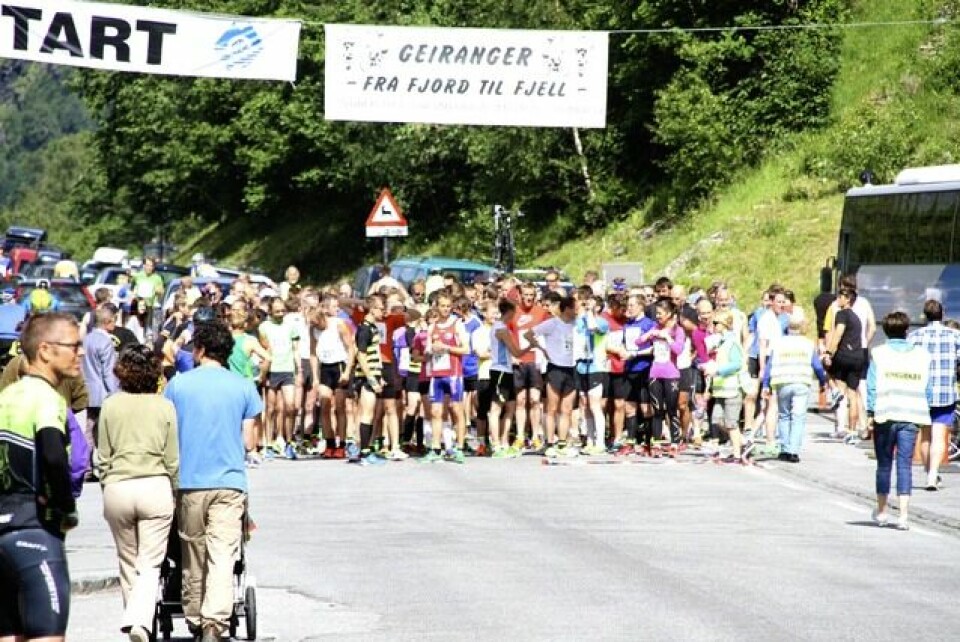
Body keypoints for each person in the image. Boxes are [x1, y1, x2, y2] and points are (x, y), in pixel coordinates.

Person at [163, 321, 262, 642]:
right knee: (223, 554)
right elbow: (249, 442)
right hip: (230, 482)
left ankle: (193, 615)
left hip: (189, 481)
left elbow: (168, 431)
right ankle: (215, 622)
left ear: (201, 349)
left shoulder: (178, 386)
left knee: (193, 553)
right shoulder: (244, 386)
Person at [0, 312, 81, 642]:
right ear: (45, 350)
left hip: (1, 531)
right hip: (35, 530)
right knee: (46, 635)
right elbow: (51, 454)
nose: (80, 353)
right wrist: (65, 508)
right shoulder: (47, 398)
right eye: (73, 346)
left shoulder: (4, 398)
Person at [97, 345, 178, 642]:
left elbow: (103, 456)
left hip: (118, 486)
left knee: (128, 561)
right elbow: (172, 459)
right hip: (154, 484)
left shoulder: (110, 405)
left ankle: (136, 622)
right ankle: (139, 623)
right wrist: (176, 489)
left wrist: (107, 482)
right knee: (150, 562)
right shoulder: (164, 406)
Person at [867, 311, 933, 531]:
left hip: (886, 413)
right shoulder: (922, 356)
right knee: (905, 465)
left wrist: (870, 413)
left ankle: (883, 510)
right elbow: (927, 388)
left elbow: (872, 387)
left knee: (884, 464)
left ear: (885, 331)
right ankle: (903, 515)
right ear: (907, 331)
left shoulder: (879, 353)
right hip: (912, 414)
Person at [907, 298, 960, 491]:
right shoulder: (955, 336)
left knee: (925, 435)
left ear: (924, 315)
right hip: (946, 393)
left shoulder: (914, 337)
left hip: (921, 393)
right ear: (942, 314)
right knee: (939, 435)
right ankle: (932, 476)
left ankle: (930, 472)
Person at [761, 313, 828, 463]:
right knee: (798, 416)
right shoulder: (808, 343)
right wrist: (823, 381)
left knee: (784, 415)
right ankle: (793, 450)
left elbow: (769, 365)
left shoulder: (778, 343)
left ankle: (784, 448)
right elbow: (817, 366)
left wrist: (766, 384)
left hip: (782, 381)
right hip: (801, 382)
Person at [823, 287, 864, 443]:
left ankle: (835, 391)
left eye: (840, 297)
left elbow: (838, 333)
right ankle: (853, 432)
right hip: (858, 357)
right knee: (853, 395)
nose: (837, 299)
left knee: (824, 365)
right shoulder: (856, 317)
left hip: (844, 357)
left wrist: (829, 352)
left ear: (848, 300)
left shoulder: (842, 314)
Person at [82, 304, 121, 455]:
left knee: (89, 428)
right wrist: (115, 393)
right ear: (106, 322)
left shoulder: (87, 339)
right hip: (103, 393)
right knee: (107, 430)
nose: (115, 324)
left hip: (88, 391)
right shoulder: (105, 342)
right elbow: (108, 372)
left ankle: (85, 465)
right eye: (113, 321)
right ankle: (105, 461)